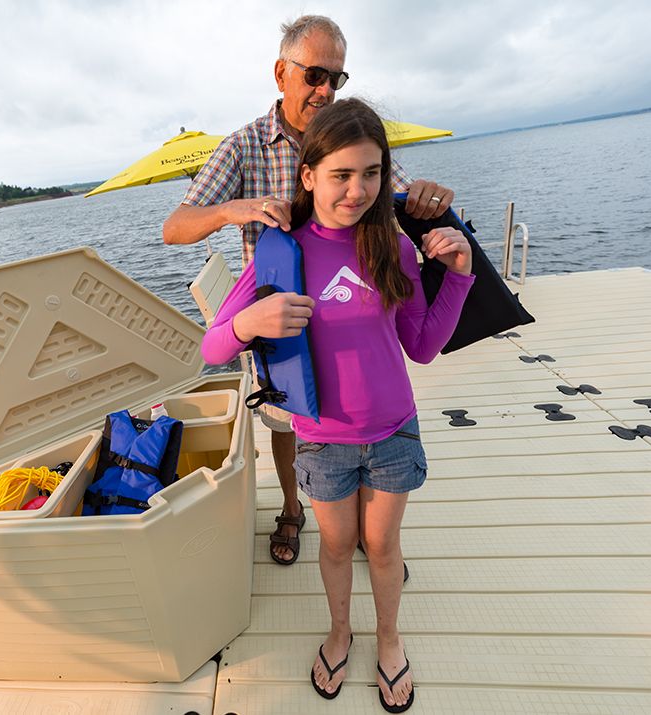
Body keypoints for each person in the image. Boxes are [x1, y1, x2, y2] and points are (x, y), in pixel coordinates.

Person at [200, 97, 474, 712]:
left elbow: (423, 345)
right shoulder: (280, 252)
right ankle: (339, 631)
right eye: (341, 175)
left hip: (393, 431)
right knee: (332, 545)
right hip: (322, 439)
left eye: (372, 174)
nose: (358, 190)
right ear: (308, 176)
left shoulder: (393, 247)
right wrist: (249, 319)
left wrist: (457, 275)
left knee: (382, 547)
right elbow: (213, 345)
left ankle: (389, 639)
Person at [163, 14, 455, 567]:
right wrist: (234, 209)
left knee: (348, 430)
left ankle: (370, 532)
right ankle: (295, 509)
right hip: (281, 317)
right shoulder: (244, 147)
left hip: (346, 307)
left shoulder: (346, 135)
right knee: (287, 419)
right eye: (315, 74)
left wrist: (422, 197)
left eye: (337, 78)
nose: (325, 89)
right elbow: (174, 227)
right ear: (282, 72)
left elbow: (382, 192)